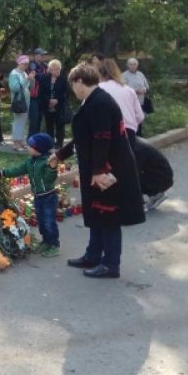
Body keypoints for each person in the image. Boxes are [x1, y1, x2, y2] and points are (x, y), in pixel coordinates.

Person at [52, 62, 144, 279]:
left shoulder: (100, 103)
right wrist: (59, 155)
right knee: (96, 212)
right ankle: (93, 255)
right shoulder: (92, 101)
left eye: (73, 84)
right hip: (98, 168)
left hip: (109, 170)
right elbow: (83, 138)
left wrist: (99, 171)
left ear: (80, 82)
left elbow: (103, 139)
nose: (73, 89)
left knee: (108, 215)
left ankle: (111, 264)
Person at [0, 133, 60, 257]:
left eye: (30, 146)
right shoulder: (30, 162)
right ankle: (46, 241)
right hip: (38, 197)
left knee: (49, 222)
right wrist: (2, 173)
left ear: (38, 149)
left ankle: (54, 244)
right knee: (41, 221)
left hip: (48, 197)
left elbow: (49, 179)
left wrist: (52, 168)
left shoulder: (47, 162)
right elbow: (18, 170)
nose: (28, 147)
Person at [98, 59, 144, 146]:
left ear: (99, 74)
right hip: (128, 132)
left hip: (105, 133)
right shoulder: (129, 90)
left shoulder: (97, 90)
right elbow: (140, 116)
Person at [133, 137, 174, 212]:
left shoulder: (137, 148)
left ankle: (153, 195)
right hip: (160, 176)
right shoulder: (136, 142)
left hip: (162, 179)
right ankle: (154, 194)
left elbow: (133, 172)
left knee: (129, 177)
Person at [38, 59, 68, 149]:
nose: (56, 71)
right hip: (47, 105)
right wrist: (49, 101)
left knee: (60, 125)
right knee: (49, 125)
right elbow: (41, 92)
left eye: (57, 69)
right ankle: (50, 142)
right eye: (53, 69)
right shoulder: (45, 78)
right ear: (50, 70)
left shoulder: (63, 78)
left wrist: (57, 100)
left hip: (59, 106)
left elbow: (66, 93)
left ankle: (59, 143)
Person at [8, 54, 34, 150]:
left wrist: (31, 79)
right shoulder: (14, 74)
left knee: (23, 121)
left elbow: (28, 87)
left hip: (26, 101)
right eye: (24, 64)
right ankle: (16, 143)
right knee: (17, 121)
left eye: (27, 64)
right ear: (19, 63)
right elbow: (15, 88)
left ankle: (20, 141)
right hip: (18, 101)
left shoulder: (24, 73)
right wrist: (27, 79)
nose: (26, 66)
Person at [122, 58, 150, 137]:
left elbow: (146, 85)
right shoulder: (124, 75)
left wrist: (144, 90)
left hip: (141, 100)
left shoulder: (140, 74)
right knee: (131, 119)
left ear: (137, 65)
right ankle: (132, 135)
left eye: (135, 64)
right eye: (131, 64)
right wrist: (136, 91)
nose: (133, 66)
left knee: (140, 117)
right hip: (129, 102)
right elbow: (123, 88)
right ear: (127, 65)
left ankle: (139, 134)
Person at [28, 48, 48, 136]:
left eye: (44, 55)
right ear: (36, 56)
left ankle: (37, 139)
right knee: (34, 119)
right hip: (34, 96)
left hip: (43, 95)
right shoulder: (32, 65)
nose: (43, 56)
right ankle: (31, 138)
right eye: (41, 55)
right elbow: (37, 77)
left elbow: (46, 77)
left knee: (40, 118)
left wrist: (41, 76)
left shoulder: (46, 66)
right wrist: (42, 76)